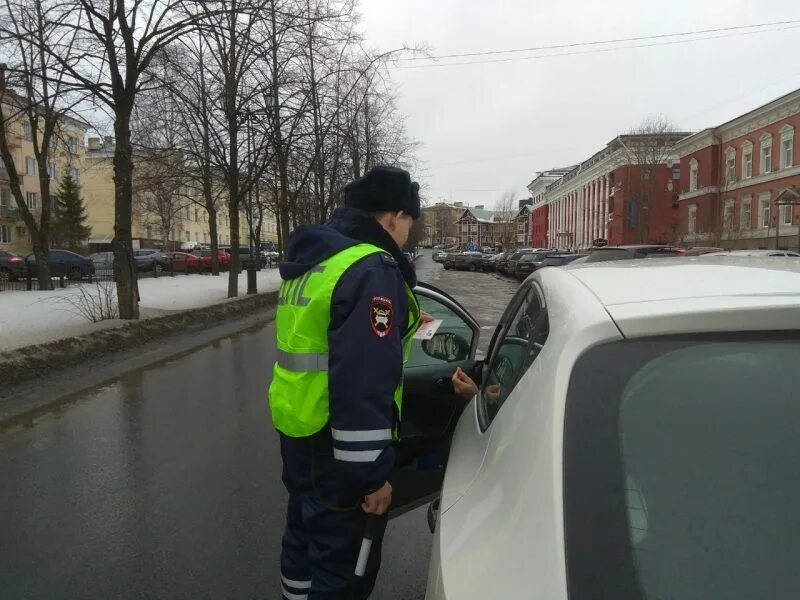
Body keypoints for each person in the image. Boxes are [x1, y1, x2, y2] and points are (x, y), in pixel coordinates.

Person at [269, 166, 429, 600]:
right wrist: (373, 477)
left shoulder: (317, 259)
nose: (407, 236)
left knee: (302, 541)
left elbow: (324, 338)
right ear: (395, 216)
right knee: (342, 567)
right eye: (409, 224)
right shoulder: (370, 267)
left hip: (299, 431)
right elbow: (362, 378)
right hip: (338, 452)